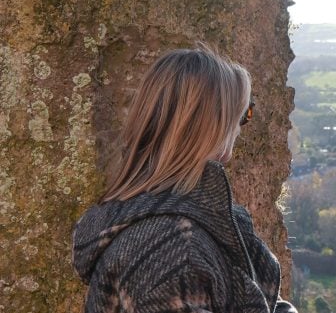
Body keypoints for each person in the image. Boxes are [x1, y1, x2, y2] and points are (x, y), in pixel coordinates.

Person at [72, 47, 296, 313]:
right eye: (244, 115)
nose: (240, 128)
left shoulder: (176, 225)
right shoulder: (173, 251)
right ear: (215, 127)